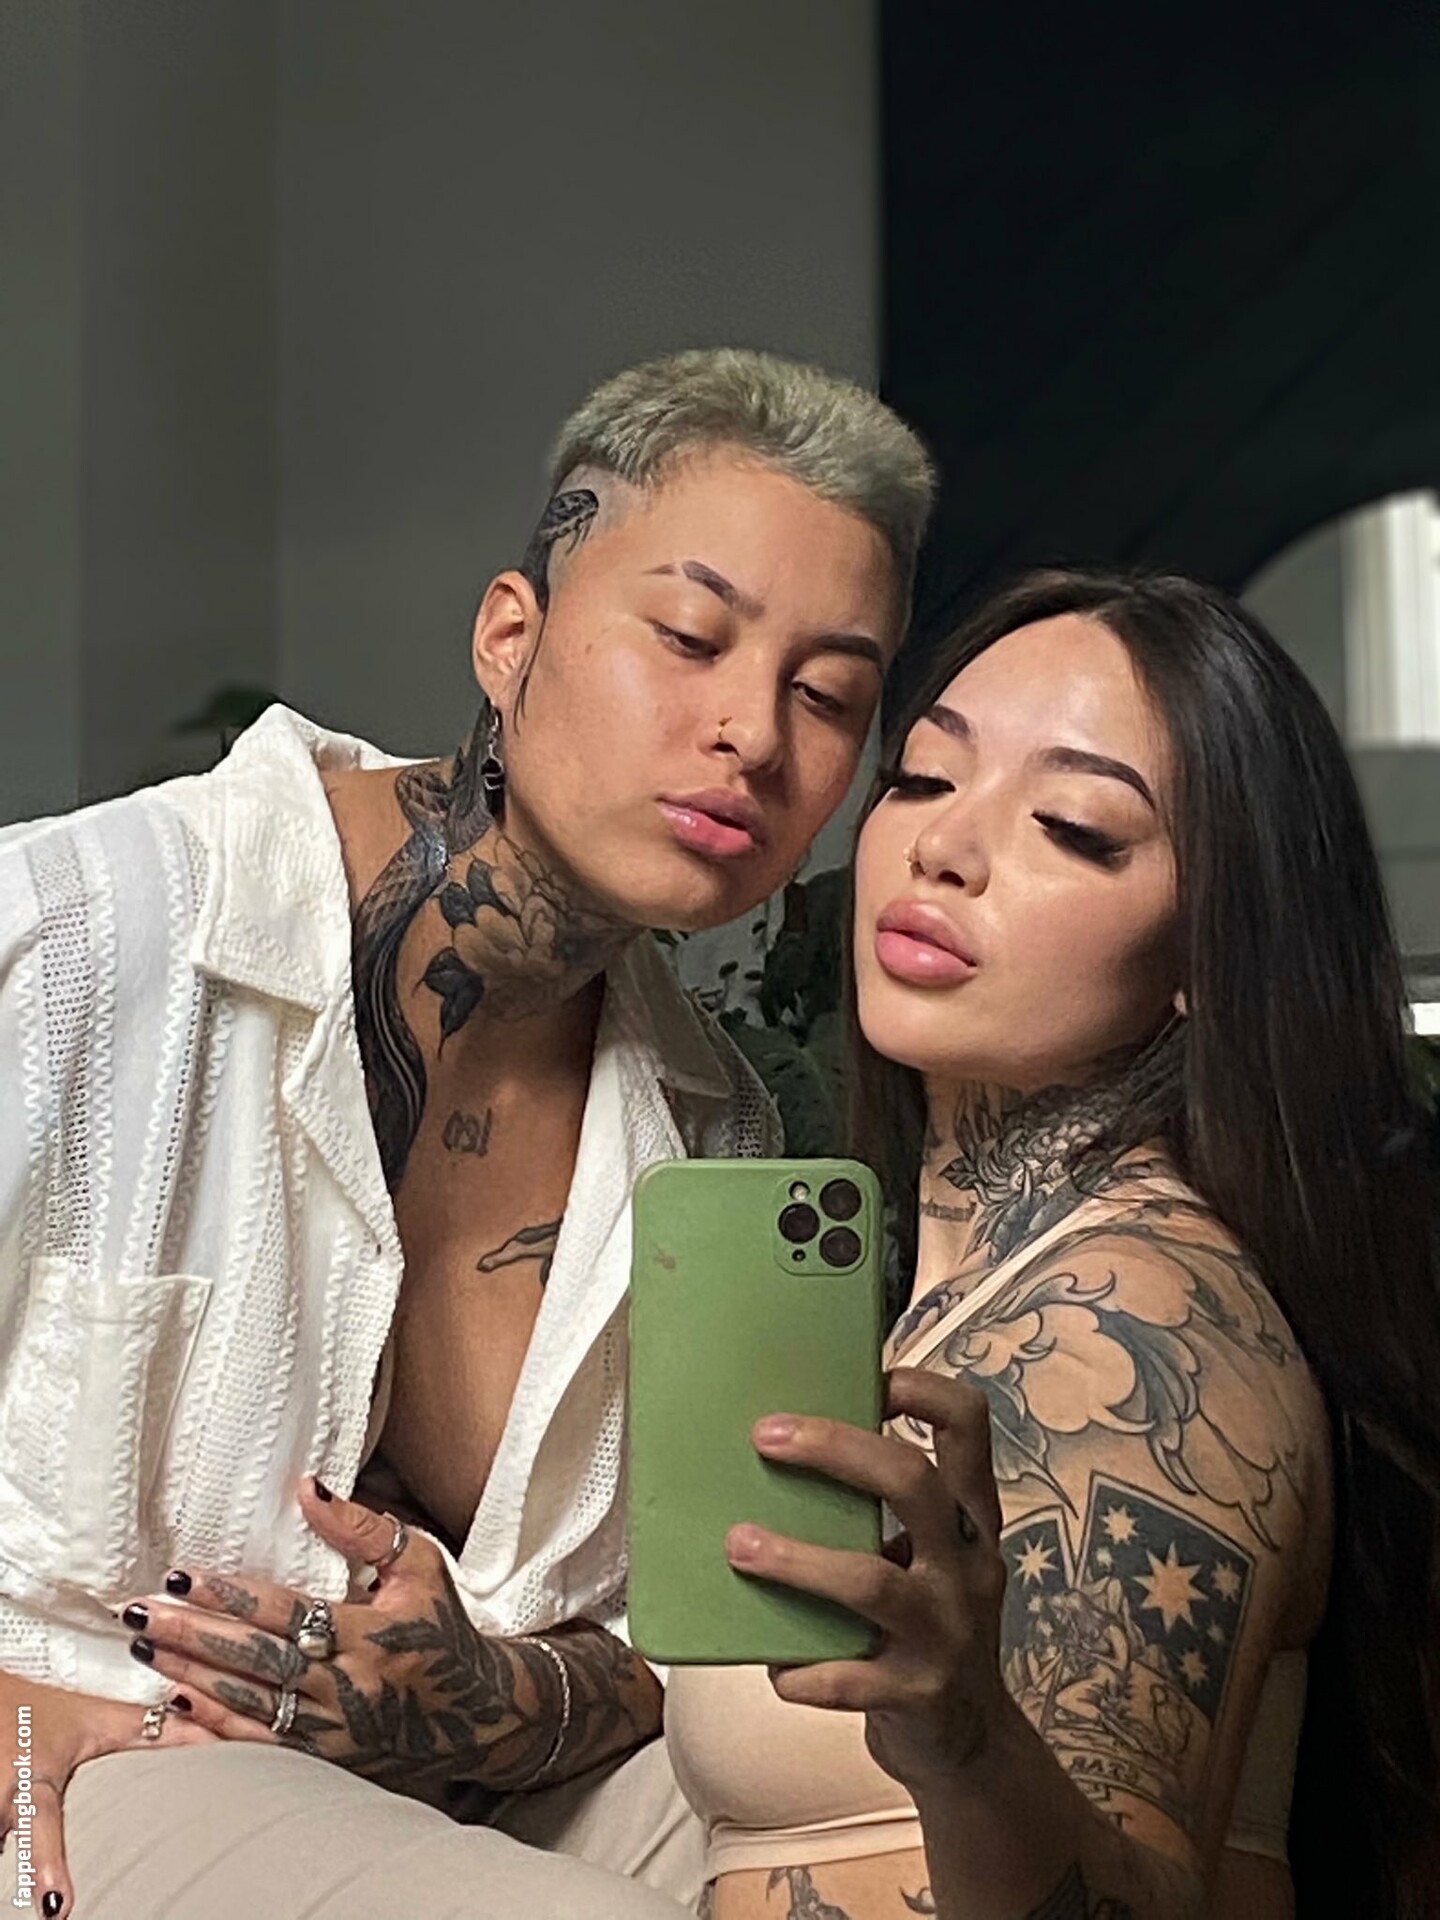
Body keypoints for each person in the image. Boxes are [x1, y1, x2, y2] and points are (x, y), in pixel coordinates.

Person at [0, 347, 935, 1920]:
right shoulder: (72, 936)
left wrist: (496, 1692)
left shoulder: (716, 1131)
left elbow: (675, 1643)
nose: (752, 733)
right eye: (690, 637)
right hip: (103, 1757)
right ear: (514, 636)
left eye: (829, 695)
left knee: (929, 1823)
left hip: (468, 1794)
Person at [665, 567, 1440, 1918]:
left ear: (1209, 945)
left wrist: (970, 1750)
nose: (945, 846)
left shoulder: (1138, 1321)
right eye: (923, 778)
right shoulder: (986, 1286)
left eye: (1075, 828)